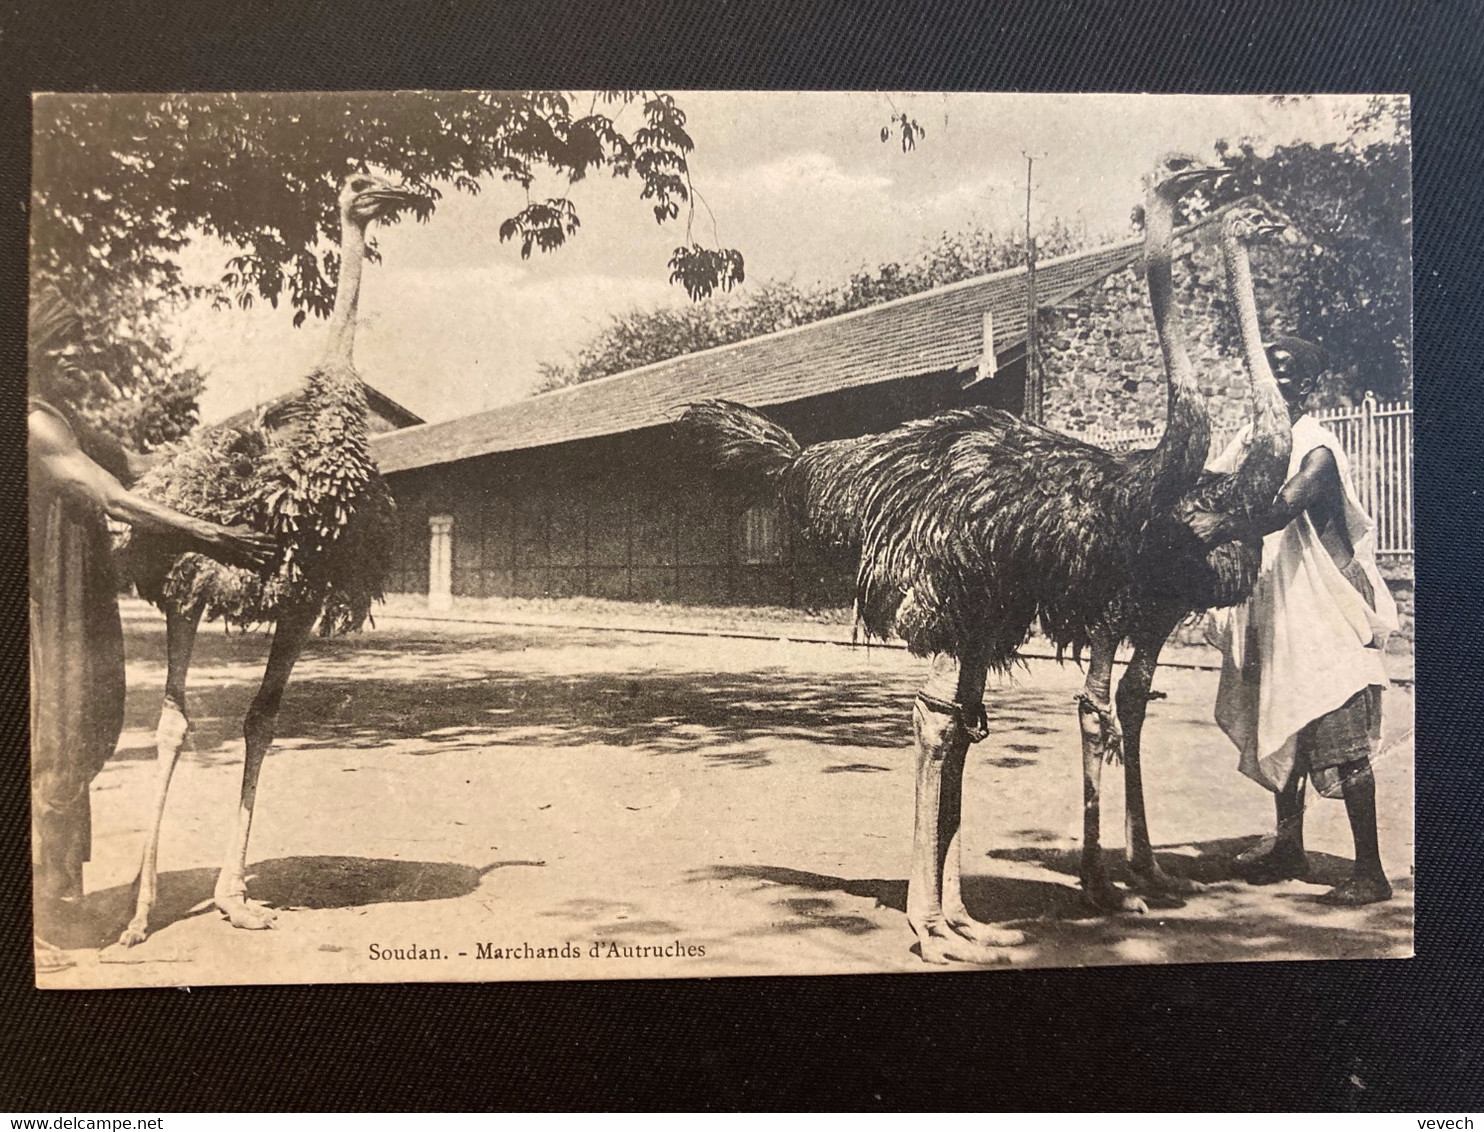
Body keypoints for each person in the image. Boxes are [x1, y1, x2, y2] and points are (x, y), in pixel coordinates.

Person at [28, 290, 274, 972]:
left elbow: (134, 475)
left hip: (76, 599)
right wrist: (216, 535)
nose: (72, 357)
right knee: (45, 740)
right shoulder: (30, 422)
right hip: (41, 605)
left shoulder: (59, 417)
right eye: (61, 345)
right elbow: (110, 495)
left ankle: (50, 896)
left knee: (79, 729)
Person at [1187, 337, 1399, 906]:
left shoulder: (1319, 450)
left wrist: (1220, 522)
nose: (1273, 385)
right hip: (1278, 610)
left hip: (1325, 612)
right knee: (1287, 723)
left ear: (1307, 385)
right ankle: (1289, 846)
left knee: (1340, 735)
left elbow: (1282, 506)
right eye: (1265, 374)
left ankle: (1372, 871)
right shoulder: (1253, 442)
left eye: (1284, 375)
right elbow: (1215, 482)